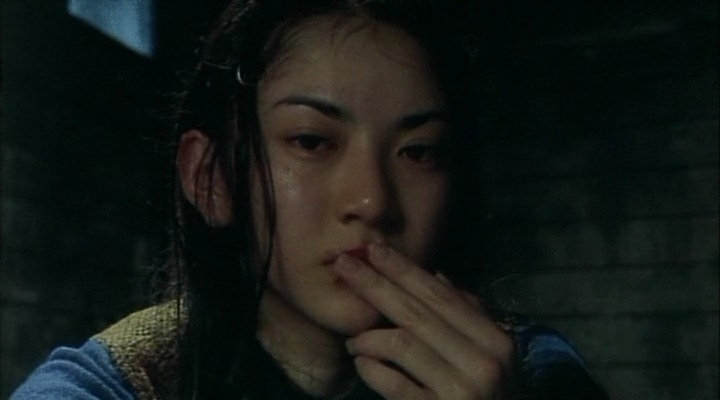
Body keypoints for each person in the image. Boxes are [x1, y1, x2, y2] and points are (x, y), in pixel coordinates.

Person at [11, 1, 609, 399]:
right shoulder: (116, 383)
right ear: (211, 179)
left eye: (419, 152)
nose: (373, 201)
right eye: (312, 141)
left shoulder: (527, 372)